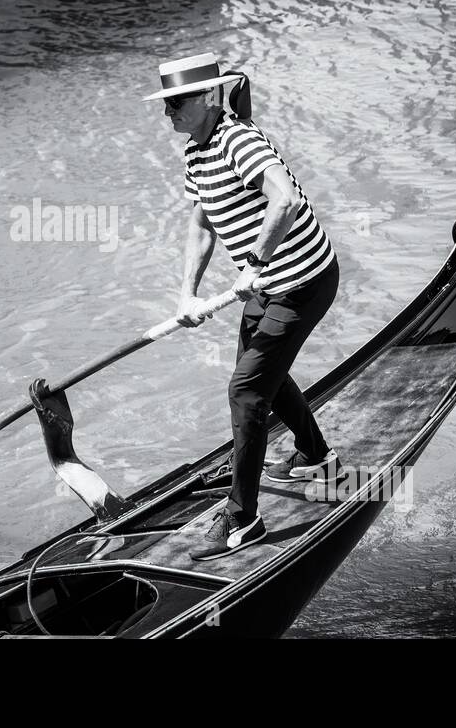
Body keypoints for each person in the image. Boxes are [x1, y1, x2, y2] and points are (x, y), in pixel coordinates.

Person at [142, 52, 342, 561]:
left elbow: (285, 200)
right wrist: (187, 294)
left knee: (246, 392)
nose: (170, 112)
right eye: (166, 104)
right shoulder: (195, 151)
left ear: (209, 97)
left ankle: (243, 518)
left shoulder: (239, 140)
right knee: (258, 379)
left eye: (178, 102)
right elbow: (201, 223)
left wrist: (253, 263)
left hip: (303, 282)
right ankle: (318, 457)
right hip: (266, 286)